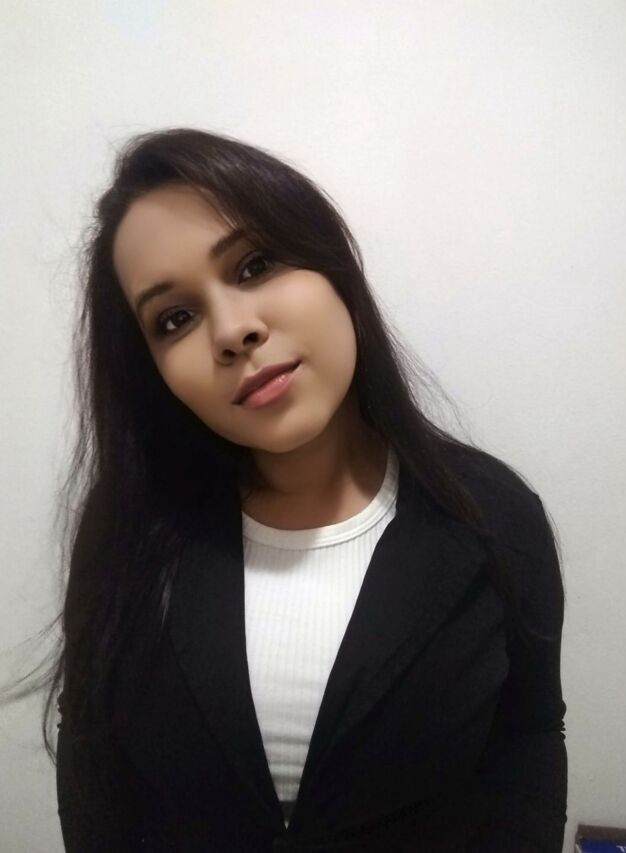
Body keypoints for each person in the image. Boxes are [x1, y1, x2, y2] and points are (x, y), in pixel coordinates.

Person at [47, 127, 567, 851]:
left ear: (332, 266)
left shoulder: (494, 515)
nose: (233, 331)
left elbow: (528, 740)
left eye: (255, 264)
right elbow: (92, 763)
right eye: (175, 318)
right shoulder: (127, 528)